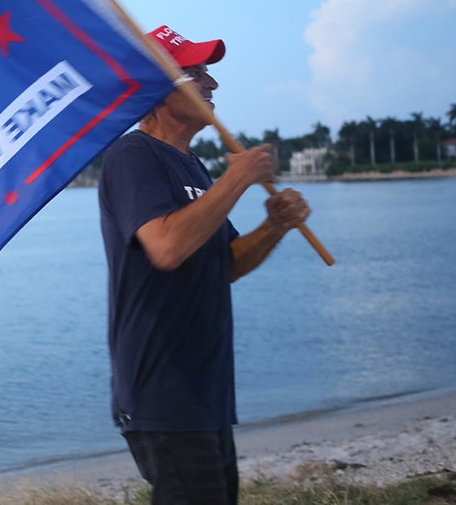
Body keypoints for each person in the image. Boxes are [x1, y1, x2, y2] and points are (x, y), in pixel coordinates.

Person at [98, 25, 311, 504]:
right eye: (193, 72)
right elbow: (166, 248)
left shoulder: (192, 166)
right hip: (161, 389)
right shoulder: (133, 155)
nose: (211, 84)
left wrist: (274, 226)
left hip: (206, 388)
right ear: (156, 86)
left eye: (207, 72)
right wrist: (235, 181)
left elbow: (226, 264)